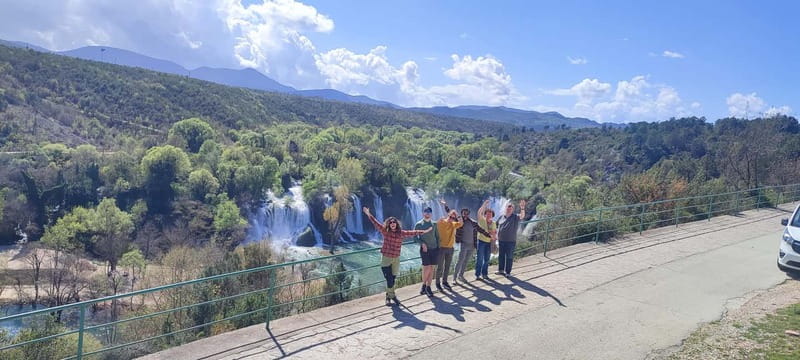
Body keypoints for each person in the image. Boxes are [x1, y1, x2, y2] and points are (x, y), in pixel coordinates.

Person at [364, 207, 432, 306]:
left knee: (392, 279)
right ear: (388, 224)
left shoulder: (401, 233)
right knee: (389, 279)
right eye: (391, 223)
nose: (392, 224)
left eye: (394, 222)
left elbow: (412, 232)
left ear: (396, 224)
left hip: (396, 259)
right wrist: (368, 214)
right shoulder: (385, 231)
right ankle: (392, 296)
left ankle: (389, 296)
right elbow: (376, 223)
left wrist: (424, 232)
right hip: (386, 259)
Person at [442, 201, 492, 286]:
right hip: (464, 244)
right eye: (464, 213)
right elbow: (450, 214)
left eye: (467, 213)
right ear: (462, 214)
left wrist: (489, 236)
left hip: (472, 245)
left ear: (468, 214)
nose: (465, 215)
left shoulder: (473, 222)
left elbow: (481, 230)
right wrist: (445, 205)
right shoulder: (459, 221)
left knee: (465, 261)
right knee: (460, 261)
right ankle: (454, 278)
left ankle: (461, 276)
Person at [435, 202, 463, 291]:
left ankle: (445, 282)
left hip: (450, 248)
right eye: (451, 217)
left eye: (453, 218)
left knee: (447, 266)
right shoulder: (441, 222)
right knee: (440, 267)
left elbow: (461, 223)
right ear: (448, 215)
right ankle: (437, 283)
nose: (452, 219)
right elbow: (434, 225)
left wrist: (457, 215)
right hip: (441, 248)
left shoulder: (454, 224)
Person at [496, 200, 526, 277]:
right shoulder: (501, 217)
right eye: (508, 207)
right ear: (505, 208)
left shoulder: (515, 217)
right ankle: (501, 270)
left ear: (513, 209)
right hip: (501, 240)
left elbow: (522, 216)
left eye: (510, 207)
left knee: (509, 257)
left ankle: (508, 272)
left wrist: (522, 208)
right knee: (501, 256)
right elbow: (496, 226)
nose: (509, 208)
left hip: (510, 241)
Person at [414, 207, 439, 297]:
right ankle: (423, 284)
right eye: (425, 212)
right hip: (425, 250)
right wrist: (422, 244)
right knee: (426, 268)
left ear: (431, 214)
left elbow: (437, 237)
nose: (427, 213)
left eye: (429, 212)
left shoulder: (435, 224)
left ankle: (428, 287)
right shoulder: (419, 224)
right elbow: (415, 237)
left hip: (434, 249)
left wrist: (438, 248)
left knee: (432, 268)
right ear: (423, 213)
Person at [475, 199, 497, 281]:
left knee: (487, 259)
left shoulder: (494, 223)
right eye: (487, 214)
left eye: (490, 214)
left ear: (492, 215)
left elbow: (494, 233)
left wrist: (494, 236)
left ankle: (484, 274)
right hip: (481, 241)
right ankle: (478, 274)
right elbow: (479, 213)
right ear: (485, 215)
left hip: (489, 243)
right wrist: (484, 204)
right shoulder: (482, 220)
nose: (489, 216)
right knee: (480, 258)